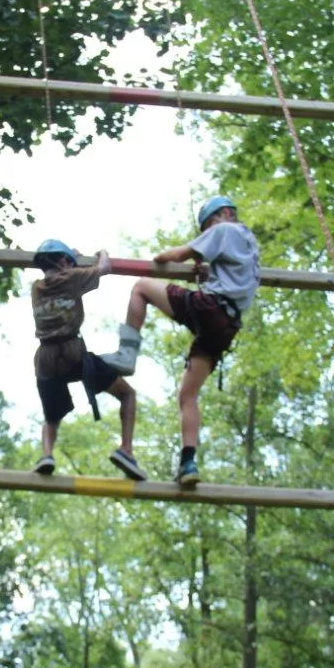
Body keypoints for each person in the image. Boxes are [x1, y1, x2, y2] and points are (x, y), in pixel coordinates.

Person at [101, 195, 260, 487]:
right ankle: (188, 462)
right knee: (187, 394)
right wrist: (205, 268)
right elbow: (224, 271)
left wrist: (165, 257)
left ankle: (127, 354)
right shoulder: (249, 246)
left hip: (211, 308)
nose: (208, 233)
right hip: (227, 325)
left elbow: (172, 257)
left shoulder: (225, 229)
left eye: (209, 226)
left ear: (225, 214)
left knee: (141, 288)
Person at [30, 239, 146, 481]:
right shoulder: (72, 280)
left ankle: (47, 454)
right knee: (127, 394)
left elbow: (58, 270)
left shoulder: (37, 289)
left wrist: (68, 258)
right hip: (73, 355)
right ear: (64, 263)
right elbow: (104, 267)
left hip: (45, 360)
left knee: (51, 416)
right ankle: (126, 450)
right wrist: (101, 252)